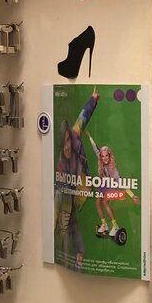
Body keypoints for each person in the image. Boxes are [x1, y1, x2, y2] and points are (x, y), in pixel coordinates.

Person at [54, 87, 99, 271]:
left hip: (74, 204)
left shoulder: (75, 136)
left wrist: (93, 99)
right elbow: (57, 199)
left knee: (79, 250)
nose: (67, 146)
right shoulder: (61, 165)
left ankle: (75, 267)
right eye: (63, 142)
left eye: (68, 140)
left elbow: (83, 117)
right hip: (64, 209)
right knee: (66, 245)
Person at [86, 130, 140, 237]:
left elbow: (121, 183)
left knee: (105, 202)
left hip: (111, 186)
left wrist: (132, 195)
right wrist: (90, 137)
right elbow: (95, 149)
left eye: (106, 156)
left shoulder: (113, 170)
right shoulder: (100, 161)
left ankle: (115, 225)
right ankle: (104, 224)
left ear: (110, 156)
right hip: (103, 185)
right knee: (98, 203)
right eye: (103, 156)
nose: (104, 158)